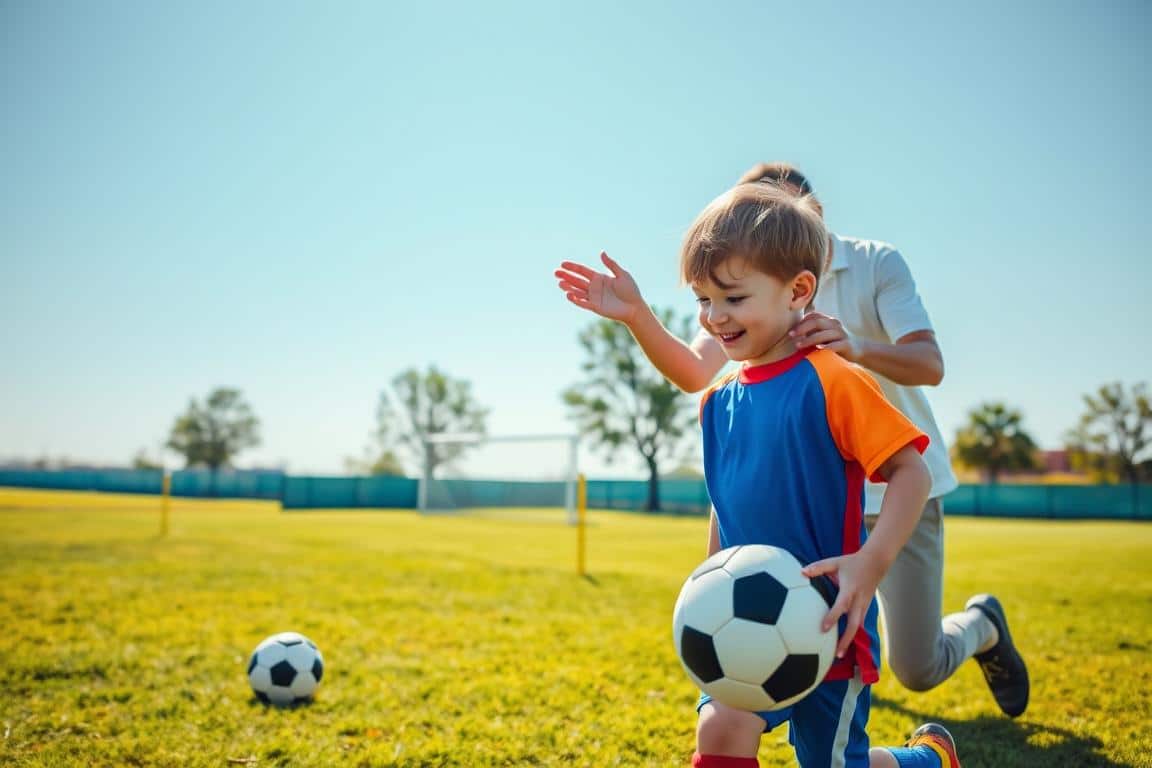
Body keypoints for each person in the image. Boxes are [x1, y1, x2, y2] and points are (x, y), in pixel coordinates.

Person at [554, 162, 1028, 720]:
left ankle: (981, 627)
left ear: (809, 222)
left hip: (895, 481)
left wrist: (854, 348)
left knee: (918, 669)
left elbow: (929, 364)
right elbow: (692, 373)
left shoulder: (873, 264)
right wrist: (638, 316)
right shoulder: (741, 290)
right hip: (808, 492)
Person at [672, 181, 956, 767]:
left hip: (832, 622)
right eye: (703, 300)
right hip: (737, 625)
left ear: (799, 290)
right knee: (721, 729)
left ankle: (926, 760)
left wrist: (869, 563)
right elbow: (723, 509)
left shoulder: (835, 379)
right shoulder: (717, 402)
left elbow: (912, 473)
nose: (714, 317)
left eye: (732, 298)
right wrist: (709, 581)